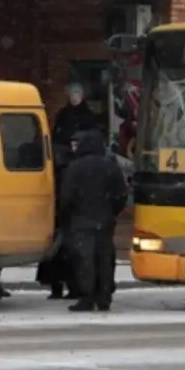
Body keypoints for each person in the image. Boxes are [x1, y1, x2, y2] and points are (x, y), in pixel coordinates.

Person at [59, 130, 128, 312]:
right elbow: (121, 194)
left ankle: (86, 297)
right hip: (105, 222)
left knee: (84, 260)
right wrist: (112, 212)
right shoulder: (110, 167)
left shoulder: (75, 168)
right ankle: (104, 297)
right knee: (104, 260)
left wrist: (66, 216)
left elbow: (66, 197)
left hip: (81, 222)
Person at [35, 138, 79, 300]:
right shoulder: (72, 167)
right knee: (68, 255)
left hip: (54, 215)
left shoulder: (50, 170)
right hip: (68, 217)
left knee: (54, 254)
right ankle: (71, 286)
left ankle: (56, 287)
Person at [52, 83, 96, 149]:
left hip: (83, 148)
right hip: (65, 147)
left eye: (77, 94)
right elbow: (57, 130)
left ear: (81, 96)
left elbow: (92, 132)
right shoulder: (63, 113)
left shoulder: (88, 114)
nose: (74, 97)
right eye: (72, 94)